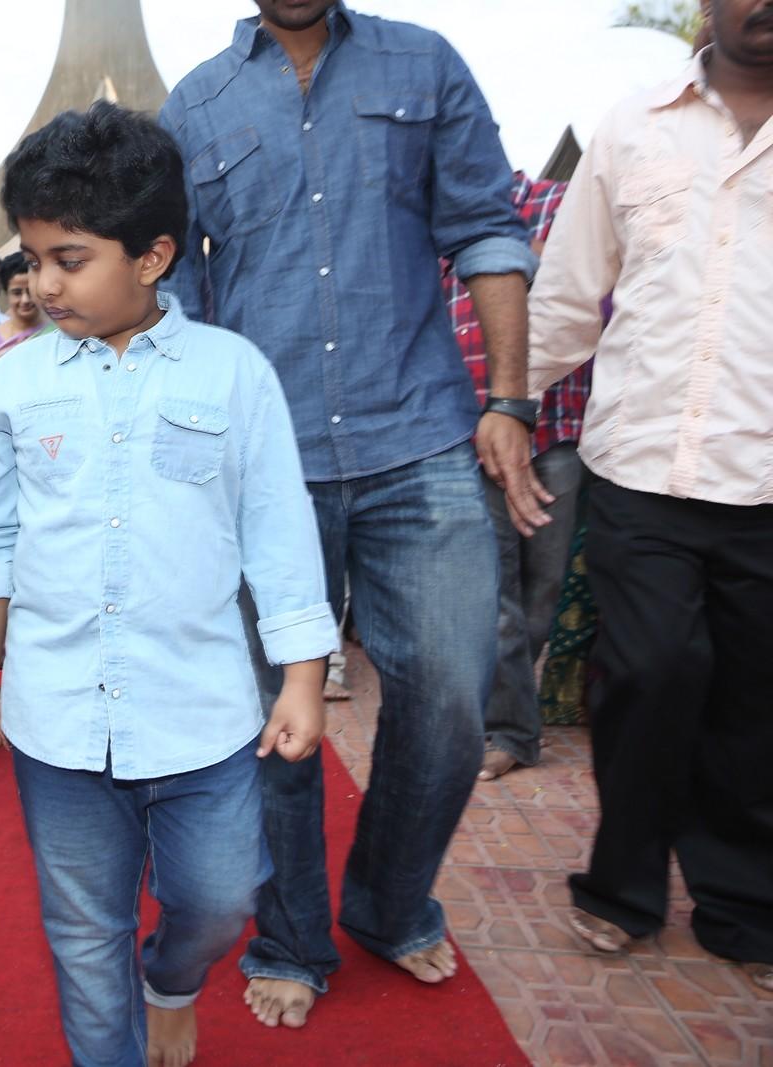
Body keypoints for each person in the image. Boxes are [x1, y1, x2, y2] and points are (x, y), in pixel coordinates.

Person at [162, 0, 539, 1028]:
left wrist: (508, 401)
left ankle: (385, 896)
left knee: (454, 696)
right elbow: (176, 291)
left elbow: (487, 228)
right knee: (273, 719)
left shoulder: (425, 65)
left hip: (418, 433)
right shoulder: (194, 103)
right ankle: (290, 933)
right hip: (263, 455)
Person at [0, 102, 338, 1067]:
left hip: (202, 714)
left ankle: (172, 980)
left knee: (220, 900)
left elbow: (278, 530)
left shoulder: (234, 374)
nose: (41, 283)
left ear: (154, 257)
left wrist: (300, 674)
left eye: (68, 258)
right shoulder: (10, 383)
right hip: (59, 716)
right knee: (84, 936)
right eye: (32, 257)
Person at [527, 0, 773, 992]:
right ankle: (622, 887)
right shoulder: (632, 124)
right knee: (649, 674)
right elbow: (570, 292)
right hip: (638, 469)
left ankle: (740, 900)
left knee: (753, 703)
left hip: (764, 478)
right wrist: (503, 408)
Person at [443, 173, 587, 781]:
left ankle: (502, 710)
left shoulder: (563, 201)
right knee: (493, 597)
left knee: (540, 597)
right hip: (473, 432)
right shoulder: (438, 221)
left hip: (556, 430)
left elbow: (584, 279)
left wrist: (510, 254)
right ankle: (512, 732)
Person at [0, 251, 48, 392]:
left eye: (30, 291)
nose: (25, 300)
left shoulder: (58, 329)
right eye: (17, 293)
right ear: (6, 293)